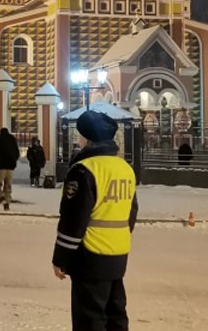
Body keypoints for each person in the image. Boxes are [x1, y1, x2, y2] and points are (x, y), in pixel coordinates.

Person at [52, 111, 139, 331]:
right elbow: (132, 211)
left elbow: (74, 219)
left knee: (89, 318)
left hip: (90, 254)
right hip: (118, 252)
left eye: (81, 136)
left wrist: (61, 258)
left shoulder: (84, 170)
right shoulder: (125, 168)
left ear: (87, 139)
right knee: (115, 313)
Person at [0, 128, 20, 211]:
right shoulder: (12, 141)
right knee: (8, 186)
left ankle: (1, 197)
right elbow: (17, 153)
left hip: (0, 166)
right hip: (10, 167)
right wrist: (13, 161)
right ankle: (7, 203)